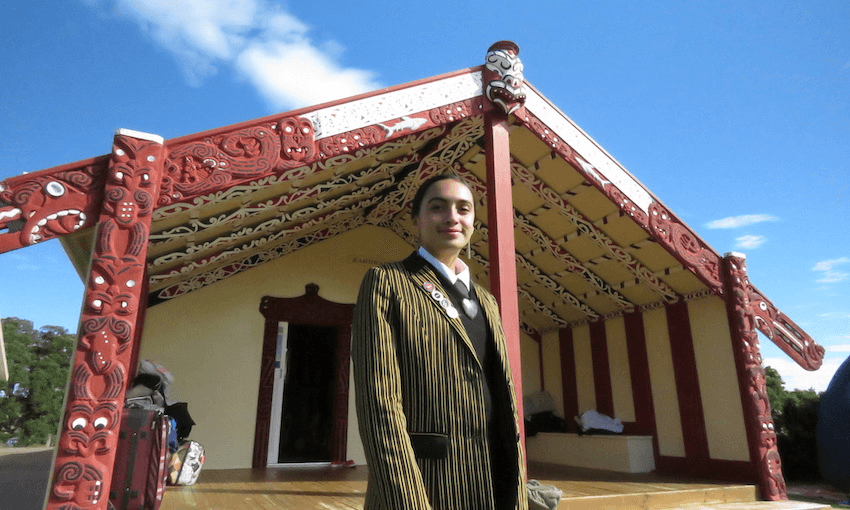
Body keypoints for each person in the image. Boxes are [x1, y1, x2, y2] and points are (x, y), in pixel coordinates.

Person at [352, 174, 528, 510]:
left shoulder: (487, 301)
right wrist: (407, 500)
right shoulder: (388, 283)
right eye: (438, 207)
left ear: (474, 223)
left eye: (464, 209)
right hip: (428, 484)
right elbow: (378, 404)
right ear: (416, 218)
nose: (452, 217)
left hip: (496, 481)